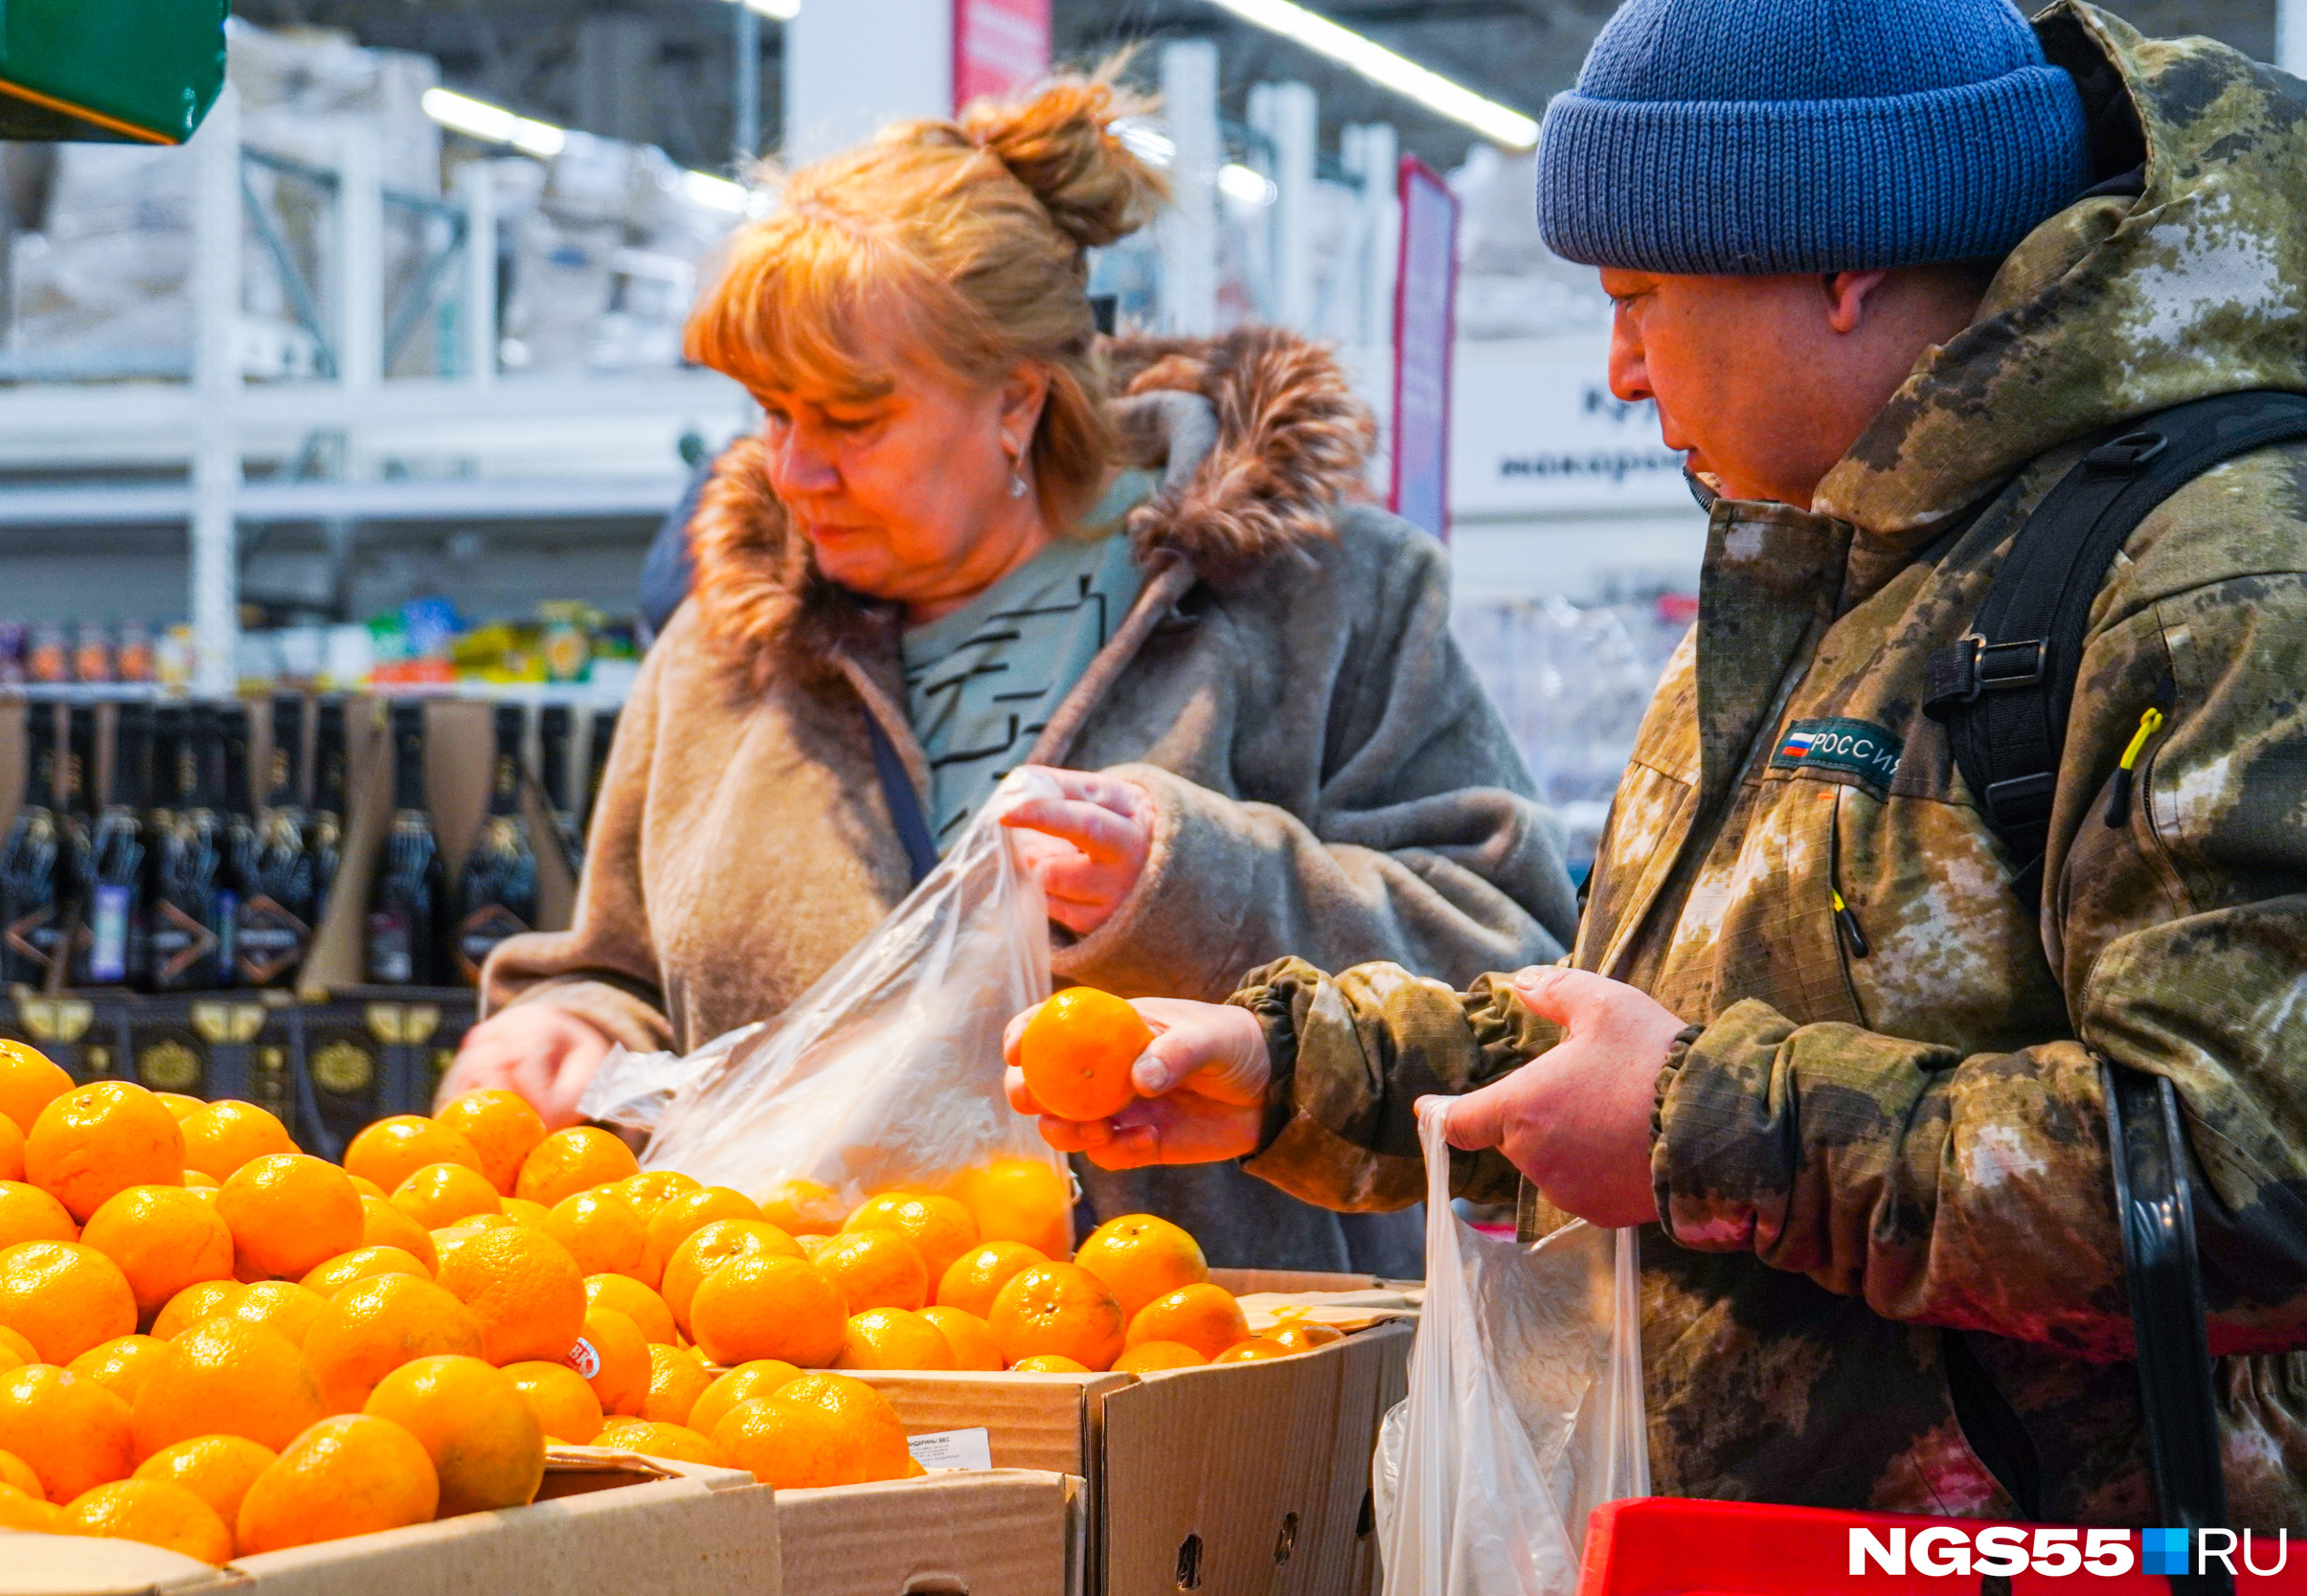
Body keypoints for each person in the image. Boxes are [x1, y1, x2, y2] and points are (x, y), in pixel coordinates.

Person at [1006, 0, 2307, 1523]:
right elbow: (1632, 1043)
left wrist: (1704, 1125)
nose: (1621, 370)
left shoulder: (2212, 576)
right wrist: (1303, 1071)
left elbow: (2251, 1175)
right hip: (1716, 1542)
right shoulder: (1821, 560)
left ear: (1843, 265)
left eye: (1640, 296)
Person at [442, 73, 1579, 1274]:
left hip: (1225, 1379)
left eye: (850, 417)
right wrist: (564, 1027)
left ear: (1014, 401)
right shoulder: (725, 648)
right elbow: (622, 968)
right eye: (771, 413)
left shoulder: (1316, 598)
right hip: (806, 1388)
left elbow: (1515, 972)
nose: (793, 470)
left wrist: (1196, 882)